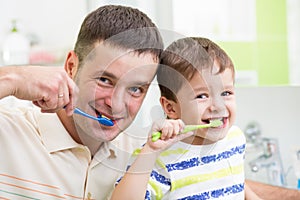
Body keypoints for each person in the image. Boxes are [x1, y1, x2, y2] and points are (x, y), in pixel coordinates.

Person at [0, 5, 163, 199]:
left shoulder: (142, 158)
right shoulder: (7, 131)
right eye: (105, 80)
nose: (117, 104)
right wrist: (14, 78)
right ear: (71, 66)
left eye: (135, 89)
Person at [111, 37, 262, 199]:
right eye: (202, 96)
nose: (218, 106)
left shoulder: (235, 138)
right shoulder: (158, 159)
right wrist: (150, 152)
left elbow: (233, 180)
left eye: (226, 93)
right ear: (171, 108)